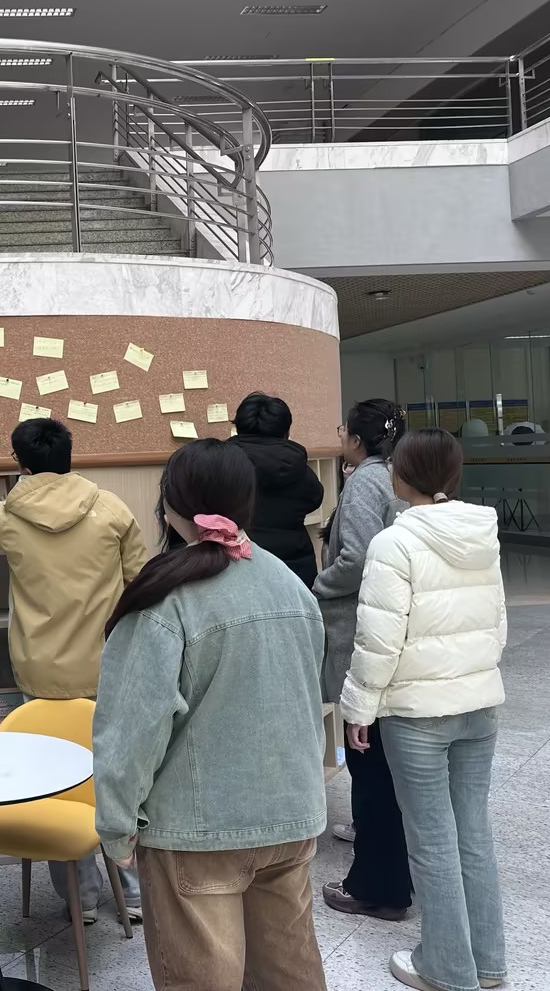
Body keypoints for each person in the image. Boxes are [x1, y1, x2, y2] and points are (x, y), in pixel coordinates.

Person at [93, 439, 327, 991]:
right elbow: (304, 696)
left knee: (202, 980)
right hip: (291, 815)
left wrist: (117, 827)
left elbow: (132, 731)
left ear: (171, 506)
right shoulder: (290, 584)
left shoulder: (164, 599)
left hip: (198, 831)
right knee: (289, 976)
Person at [0, 417, 148, 922]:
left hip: (40, 671)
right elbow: (139, 580)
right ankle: (132, 891)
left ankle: (80, 898)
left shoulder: (9, 515)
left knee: (58, 784)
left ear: (21, 464)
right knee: (115, 778)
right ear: (69, 456)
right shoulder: (110, 508)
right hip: (105, 667)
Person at [341, 430, 507, 991]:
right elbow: (498, 623)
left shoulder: (395, 543)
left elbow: (379, 640)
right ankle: (488, 963)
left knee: (431, 840)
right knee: (473, 835)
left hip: (417, 713)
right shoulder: (483, 534)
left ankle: (446, 968)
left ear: (401, 476)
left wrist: (359, 707)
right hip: (479, 705)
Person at [315, 398, 413, 920]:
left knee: (366, 754)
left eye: (343, 431)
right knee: (387, 758)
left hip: (359, 627)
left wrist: (317, 585)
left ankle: (375, 884)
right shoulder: (401, 478)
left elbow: (354, 560)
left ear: (356, 439)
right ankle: (389, 855)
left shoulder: (362, 484)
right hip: (396, 632)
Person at [230, 393, 325, 586]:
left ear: (238, 428)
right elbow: (314, 497)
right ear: (286, 432)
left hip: (238, 565)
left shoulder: (221, 464)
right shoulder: (297, 465)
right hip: (294, 568)